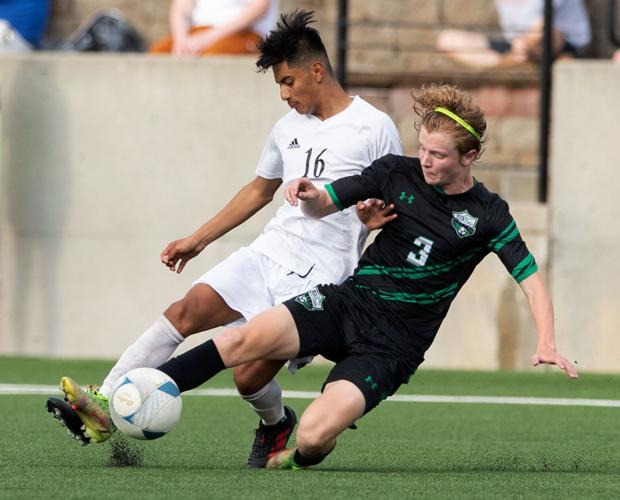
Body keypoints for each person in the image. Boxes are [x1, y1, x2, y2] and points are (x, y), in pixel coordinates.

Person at [150, 83, 579, 470]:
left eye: (438, 155)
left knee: (315, 435)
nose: (426, 161)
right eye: (423, 149)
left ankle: (308, 445)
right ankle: (148, 389)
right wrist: (309, 193)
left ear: (470, 157)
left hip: (393, 346)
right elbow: (324, 204)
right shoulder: (395, 172)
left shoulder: (488, 214)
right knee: (238, 341)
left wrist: (546, 342)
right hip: (347, 303)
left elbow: (531, 280)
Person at [47, 10, 402, 469]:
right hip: (271, 251)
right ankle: (104, 402)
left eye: (289, 81)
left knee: (248, 376)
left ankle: (275, 423)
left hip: (323, 275)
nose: (284, 94)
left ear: (317, 70)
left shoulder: (375, 127)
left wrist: (372, 239)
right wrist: (198, 239)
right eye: (278, 85)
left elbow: (395, 201)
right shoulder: (286, 129)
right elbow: (259, 189)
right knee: (185, 311)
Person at [437, 0, 591, 68]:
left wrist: (527, 43)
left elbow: (544, 23)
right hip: (513, 43)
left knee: (544, 33)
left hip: (561, 44)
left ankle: (514, 59)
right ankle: (510, 61)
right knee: (447, 40)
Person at [149, 0, 279, 56]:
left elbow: (259, 8)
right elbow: (181, 8)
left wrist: (208, 38)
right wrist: (181, 41)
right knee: (157, 54)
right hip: (198, 34)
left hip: (244, 34)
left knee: (213, 57)